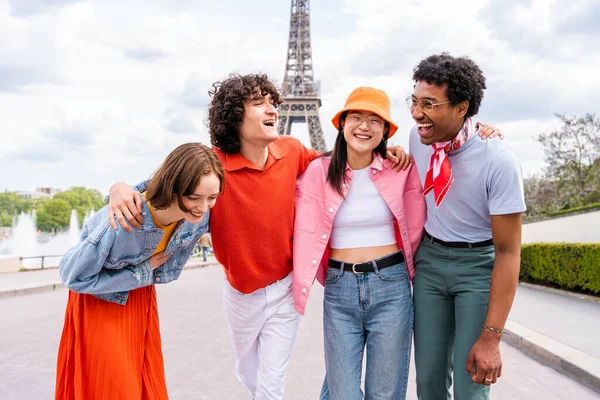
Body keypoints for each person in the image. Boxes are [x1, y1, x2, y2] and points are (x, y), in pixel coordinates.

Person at [55, 143, 224, 399]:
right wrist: (142, 272)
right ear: (173, 186)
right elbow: (72, 275)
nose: (203, 207)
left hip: (140, 299)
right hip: (100, 303)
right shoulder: (125, 219)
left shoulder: (198, 218)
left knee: (144, 386)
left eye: (212, 197)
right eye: (193, 197)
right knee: (112, 388)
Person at [292, 87, 426, 399]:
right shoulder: (316, 172)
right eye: (356, 117)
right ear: (342, 124)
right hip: (340, 289)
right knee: (343, 394)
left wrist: (483, 131)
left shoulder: (401, 170)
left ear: (385, 132)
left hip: (391, 286)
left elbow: (422, 216)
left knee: (385, 393)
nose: (364, 126)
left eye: (374, 121)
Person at [407, 53, 526, 399]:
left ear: (462, 107)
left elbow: (508, 252)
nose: (417, 114)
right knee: (427, 381)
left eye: (429, 104)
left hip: (477, 268)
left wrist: (492, 337)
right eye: (414, 102)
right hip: (429, 263)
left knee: (470, 384)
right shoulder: (419, 139)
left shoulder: (499, 161)